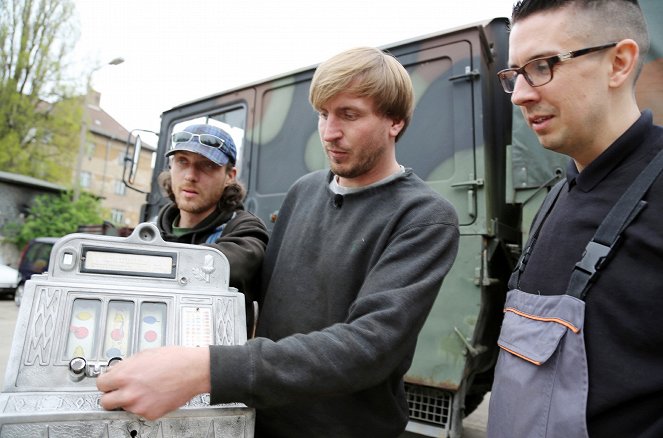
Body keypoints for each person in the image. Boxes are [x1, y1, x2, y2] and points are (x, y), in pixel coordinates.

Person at [97, 47, 460, 437]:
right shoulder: (303, 191)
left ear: (395, 122)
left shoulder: (424, 217)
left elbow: (369, 347)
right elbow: (260, 309)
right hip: (263, 421)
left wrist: (204, 370)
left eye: (349, 115)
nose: (329, 132)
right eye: (323, 114)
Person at [487, 1, 663, 437]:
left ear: (619, 63)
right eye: (515, 75)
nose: (523, 94)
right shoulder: (557, 195)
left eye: (543, 65)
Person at [157, 123, 269, 327]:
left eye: (207, 165)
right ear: (171, 167)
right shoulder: (152, 231)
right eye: (182, 161)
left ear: (229, 176)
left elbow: (238, 264)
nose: (190, 176)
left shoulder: (244, 229)